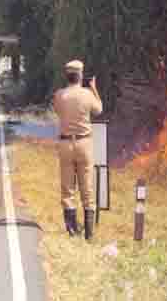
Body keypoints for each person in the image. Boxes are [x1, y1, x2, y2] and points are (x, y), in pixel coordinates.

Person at [53, 59, 103, 240]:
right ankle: (89, 234)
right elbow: (99, 110)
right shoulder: (87, 94)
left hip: (66, 144)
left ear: (67, 76)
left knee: (68, 189)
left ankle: (72, 230)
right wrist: (94, 88)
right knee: (87, 188)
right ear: (80, 75)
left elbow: (58, 112)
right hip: (84, 145)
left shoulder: (59, 95)